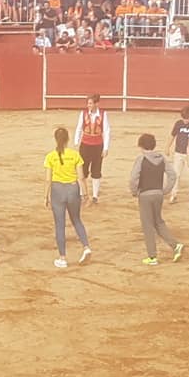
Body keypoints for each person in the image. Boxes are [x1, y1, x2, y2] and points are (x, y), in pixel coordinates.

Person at [129, 133, 183, 266]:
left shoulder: (141, 159)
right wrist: (165, 190)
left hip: (145, 195)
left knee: (147, 225)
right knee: (158, 222)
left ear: (141, 146)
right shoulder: (162, 158)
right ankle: (175, 246)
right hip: (158, 194)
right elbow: (172, 175)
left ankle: (152, 257)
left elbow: (134, 178)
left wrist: (134, 191)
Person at [44, 127, 92, 269]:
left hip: (57, 190)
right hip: (72, 189)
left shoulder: (50, 156)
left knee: (60, 224)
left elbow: (48, 180)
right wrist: (86, 194)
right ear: (68, 139)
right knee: (76, 220)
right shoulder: (75, 155)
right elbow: (81, 177)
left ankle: (62, 258)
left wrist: (45, 196)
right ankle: (86, 247)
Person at [74, 94, 111, 204]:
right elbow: (79, 129)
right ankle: (82, 194)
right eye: (88, 103)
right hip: (85, 146)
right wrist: (76, 143)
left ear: (96, 104)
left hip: (97, 146)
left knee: (96, 171)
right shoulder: (83, 113)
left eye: (90, 103)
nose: (88, 105)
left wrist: (106, 148)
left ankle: (95, 196)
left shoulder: (104, 114)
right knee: (82, 170)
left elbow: (107, 131)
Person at [165, 106, 189, 205]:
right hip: (178, 153)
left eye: (187, 118)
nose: (186, 121)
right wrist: (167, 147)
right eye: (184, 118)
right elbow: (172, 135)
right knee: (176, 175)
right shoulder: (178, 123)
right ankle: (173, 195)